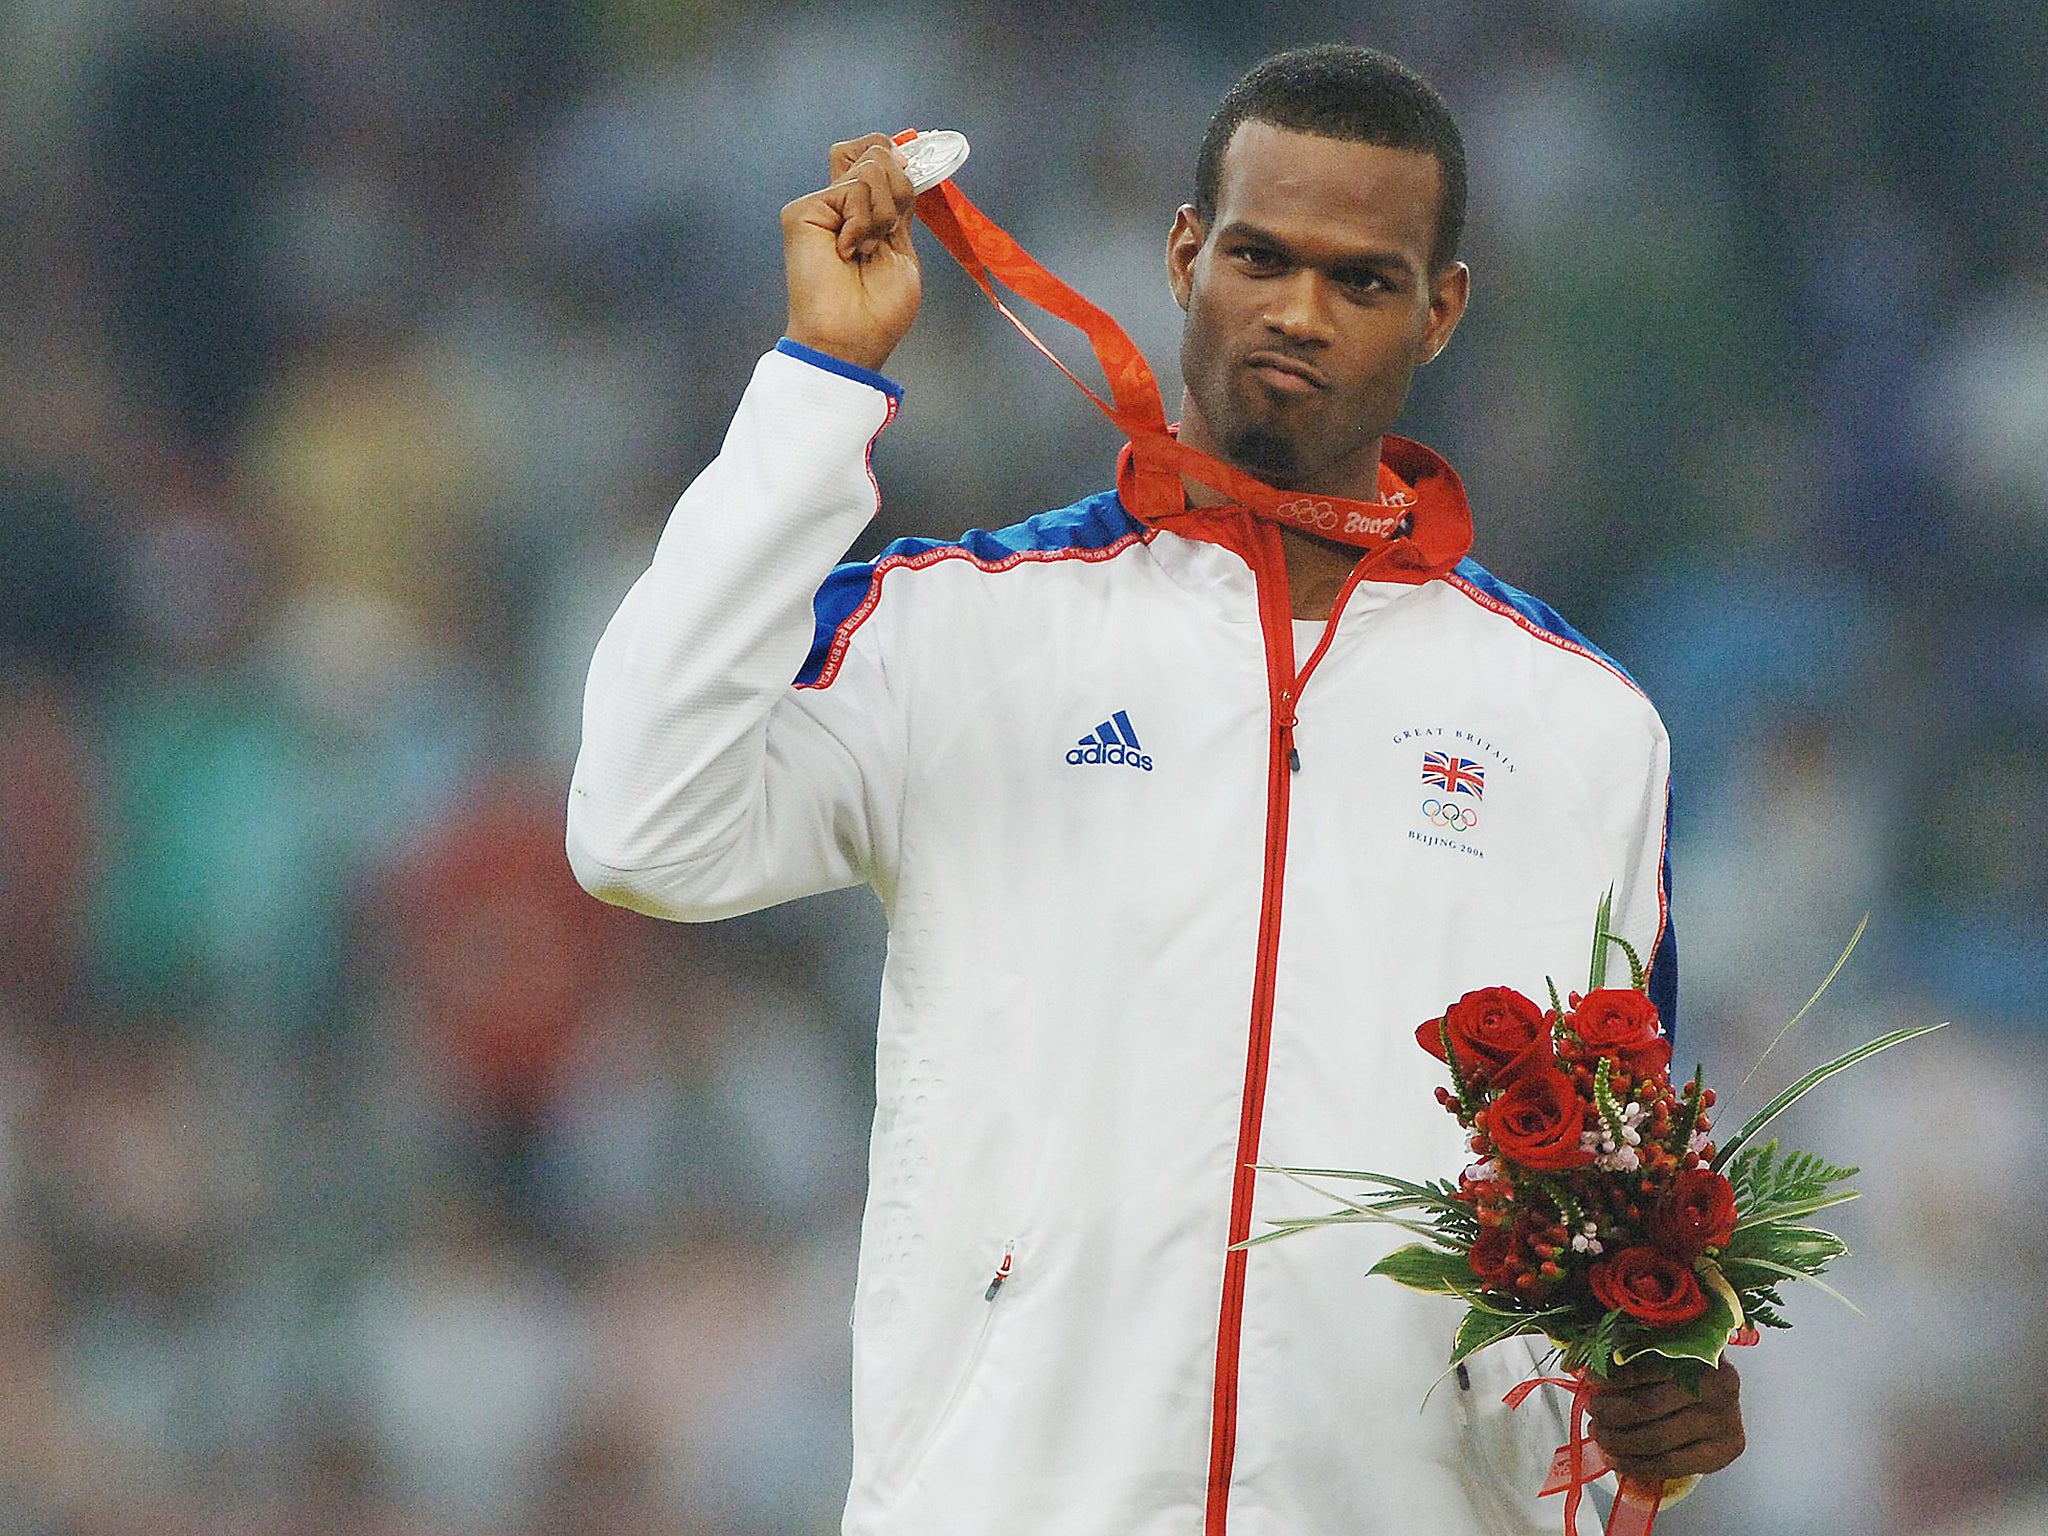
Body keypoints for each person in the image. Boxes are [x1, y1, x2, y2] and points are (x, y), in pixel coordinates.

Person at [568, 43, 1744, 1536]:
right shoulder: (961, 628)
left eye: (1362, 280)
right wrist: (819, 386)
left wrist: (1652, 1414)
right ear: (1185, 256)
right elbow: (641, 828)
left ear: (1441, 310)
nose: (1299, 312)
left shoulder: (1582, 729)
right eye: (1260, 258)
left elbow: (1603, 1220)